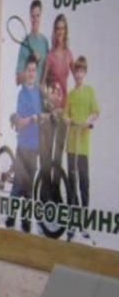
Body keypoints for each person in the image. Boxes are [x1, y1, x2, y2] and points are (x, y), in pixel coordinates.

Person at [64, 56, 99, 241]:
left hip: (83, 147)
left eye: (81, 71)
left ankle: (84, 223)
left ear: (85, 73)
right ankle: (71, 222)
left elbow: (96, 112)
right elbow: (65, 115)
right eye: (76, 71)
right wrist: (68, 120)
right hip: (71, 145)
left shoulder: (89, 91)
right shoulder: (70, 94)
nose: (78, 74)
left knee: (84, 183)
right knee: (72, 184)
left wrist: (88, 121)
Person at [38, 13, 72, 203]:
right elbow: (41, 85)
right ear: (54, 31)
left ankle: (56, 191)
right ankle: (44, 192)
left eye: (63, 28)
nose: (60, 32)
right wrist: (49, 100)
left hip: (63, 112)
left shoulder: (69, 55)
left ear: (66, 31)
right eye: (57, 28)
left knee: (58, 155)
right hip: (50, 111)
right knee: (47, 153)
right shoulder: (49, 57)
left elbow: (77, 77)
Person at [6, 55, 42, 233]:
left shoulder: (37, 93)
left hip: (34, 146)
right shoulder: (22, 94)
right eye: (29, 70)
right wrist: (31, 119)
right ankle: (11, 218)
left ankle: (26, 221)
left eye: (34, 70)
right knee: (19, 184)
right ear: (25, 72)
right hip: (23, 145)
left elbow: (40, 116)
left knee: (29, 186)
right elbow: (20, 122)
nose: (31, 73)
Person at [15, 0, 49, 88]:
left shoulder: (45, 42)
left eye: (38, 16)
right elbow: (17, 80)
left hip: (40, 95)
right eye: (33, 16)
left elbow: (47, 74)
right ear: (30, 18)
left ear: (41, 17)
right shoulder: (25, 44)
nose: (35, 19)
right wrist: (31, 66)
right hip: (27, 95)